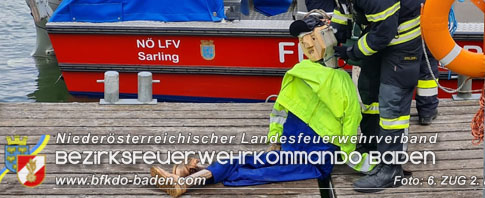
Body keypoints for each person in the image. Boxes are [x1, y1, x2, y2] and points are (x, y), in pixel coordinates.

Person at [149, 13, 375, 197]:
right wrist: (371, 165)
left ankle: (192, 175)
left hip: (303, 153)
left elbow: (280, 112)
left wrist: (275, 140)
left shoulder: (298, 73)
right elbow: (347, 137)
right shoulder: (334, 82)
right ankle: (187, 181)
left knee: (249, 166)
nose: (307, 43)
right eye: (305, 38)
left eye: (311, 38)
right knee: (250, 169)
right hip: (308, 154)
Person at [307, 0, 430, 192]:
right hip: (382, 26)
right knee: (369, 91)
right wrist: (337, 35)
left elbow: (383, 33)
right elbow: (344, 8)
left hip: (407, 32)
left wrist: (353, 53)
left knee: (392, 101)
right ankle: (373, 146)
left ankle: (391, 169)